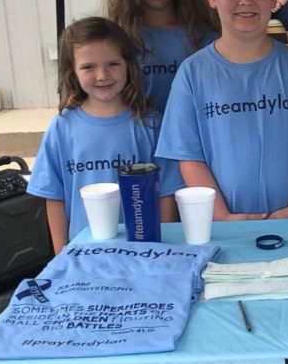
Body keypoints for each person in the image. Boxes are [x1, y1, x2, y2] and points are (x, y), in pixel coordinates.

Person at [156, 0, 288, 221]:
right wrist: (221, 216)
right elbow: (188, 156)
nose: (245, 1)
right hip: (220, 230)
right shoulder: (192, 74)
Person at [27, 17, 183, 253]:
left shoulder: (150, 124)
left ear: (129, 66)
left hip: (143, 253)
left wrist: (161, 250)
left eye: (112, 64)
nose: (102, 75)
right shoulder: (61, 127)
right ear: (73, 71)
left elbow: (167, 192)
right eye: (88, 67)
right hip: (83, 255)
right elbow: (54, 196)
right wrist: (61, 254)